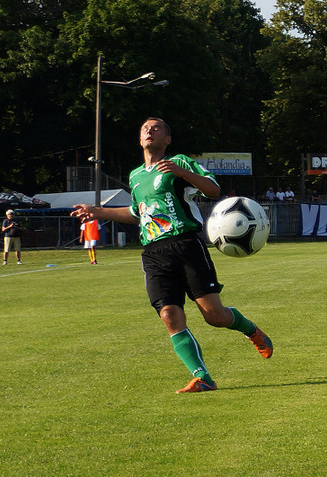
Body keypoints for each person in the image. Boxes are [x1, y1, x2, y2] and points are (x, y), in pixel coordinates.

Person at [71, 117, 273, 394]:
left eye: (156, 128)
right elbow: (136, 213)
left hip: (186, 245)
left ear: (167, 139)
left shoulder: (179, 162)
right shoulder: (135, 175)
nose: (149, 131)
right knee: (168, 314)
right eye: (144, 128)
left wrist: (181, 172)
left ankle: (251, 330)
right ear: (140, 139)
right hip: (153, 252)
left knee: (214, 316)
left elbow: (213, 190)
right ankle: (203, 377)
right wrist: (97, 211)